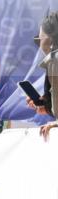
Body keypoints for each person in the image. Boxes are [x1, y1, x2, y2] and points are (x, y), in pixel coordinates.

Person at [29, 11, 58, 142]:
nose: (38, 42)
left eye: (39, 38)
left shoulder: (54, 60)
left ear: (51, 39)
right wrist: (46, 105)